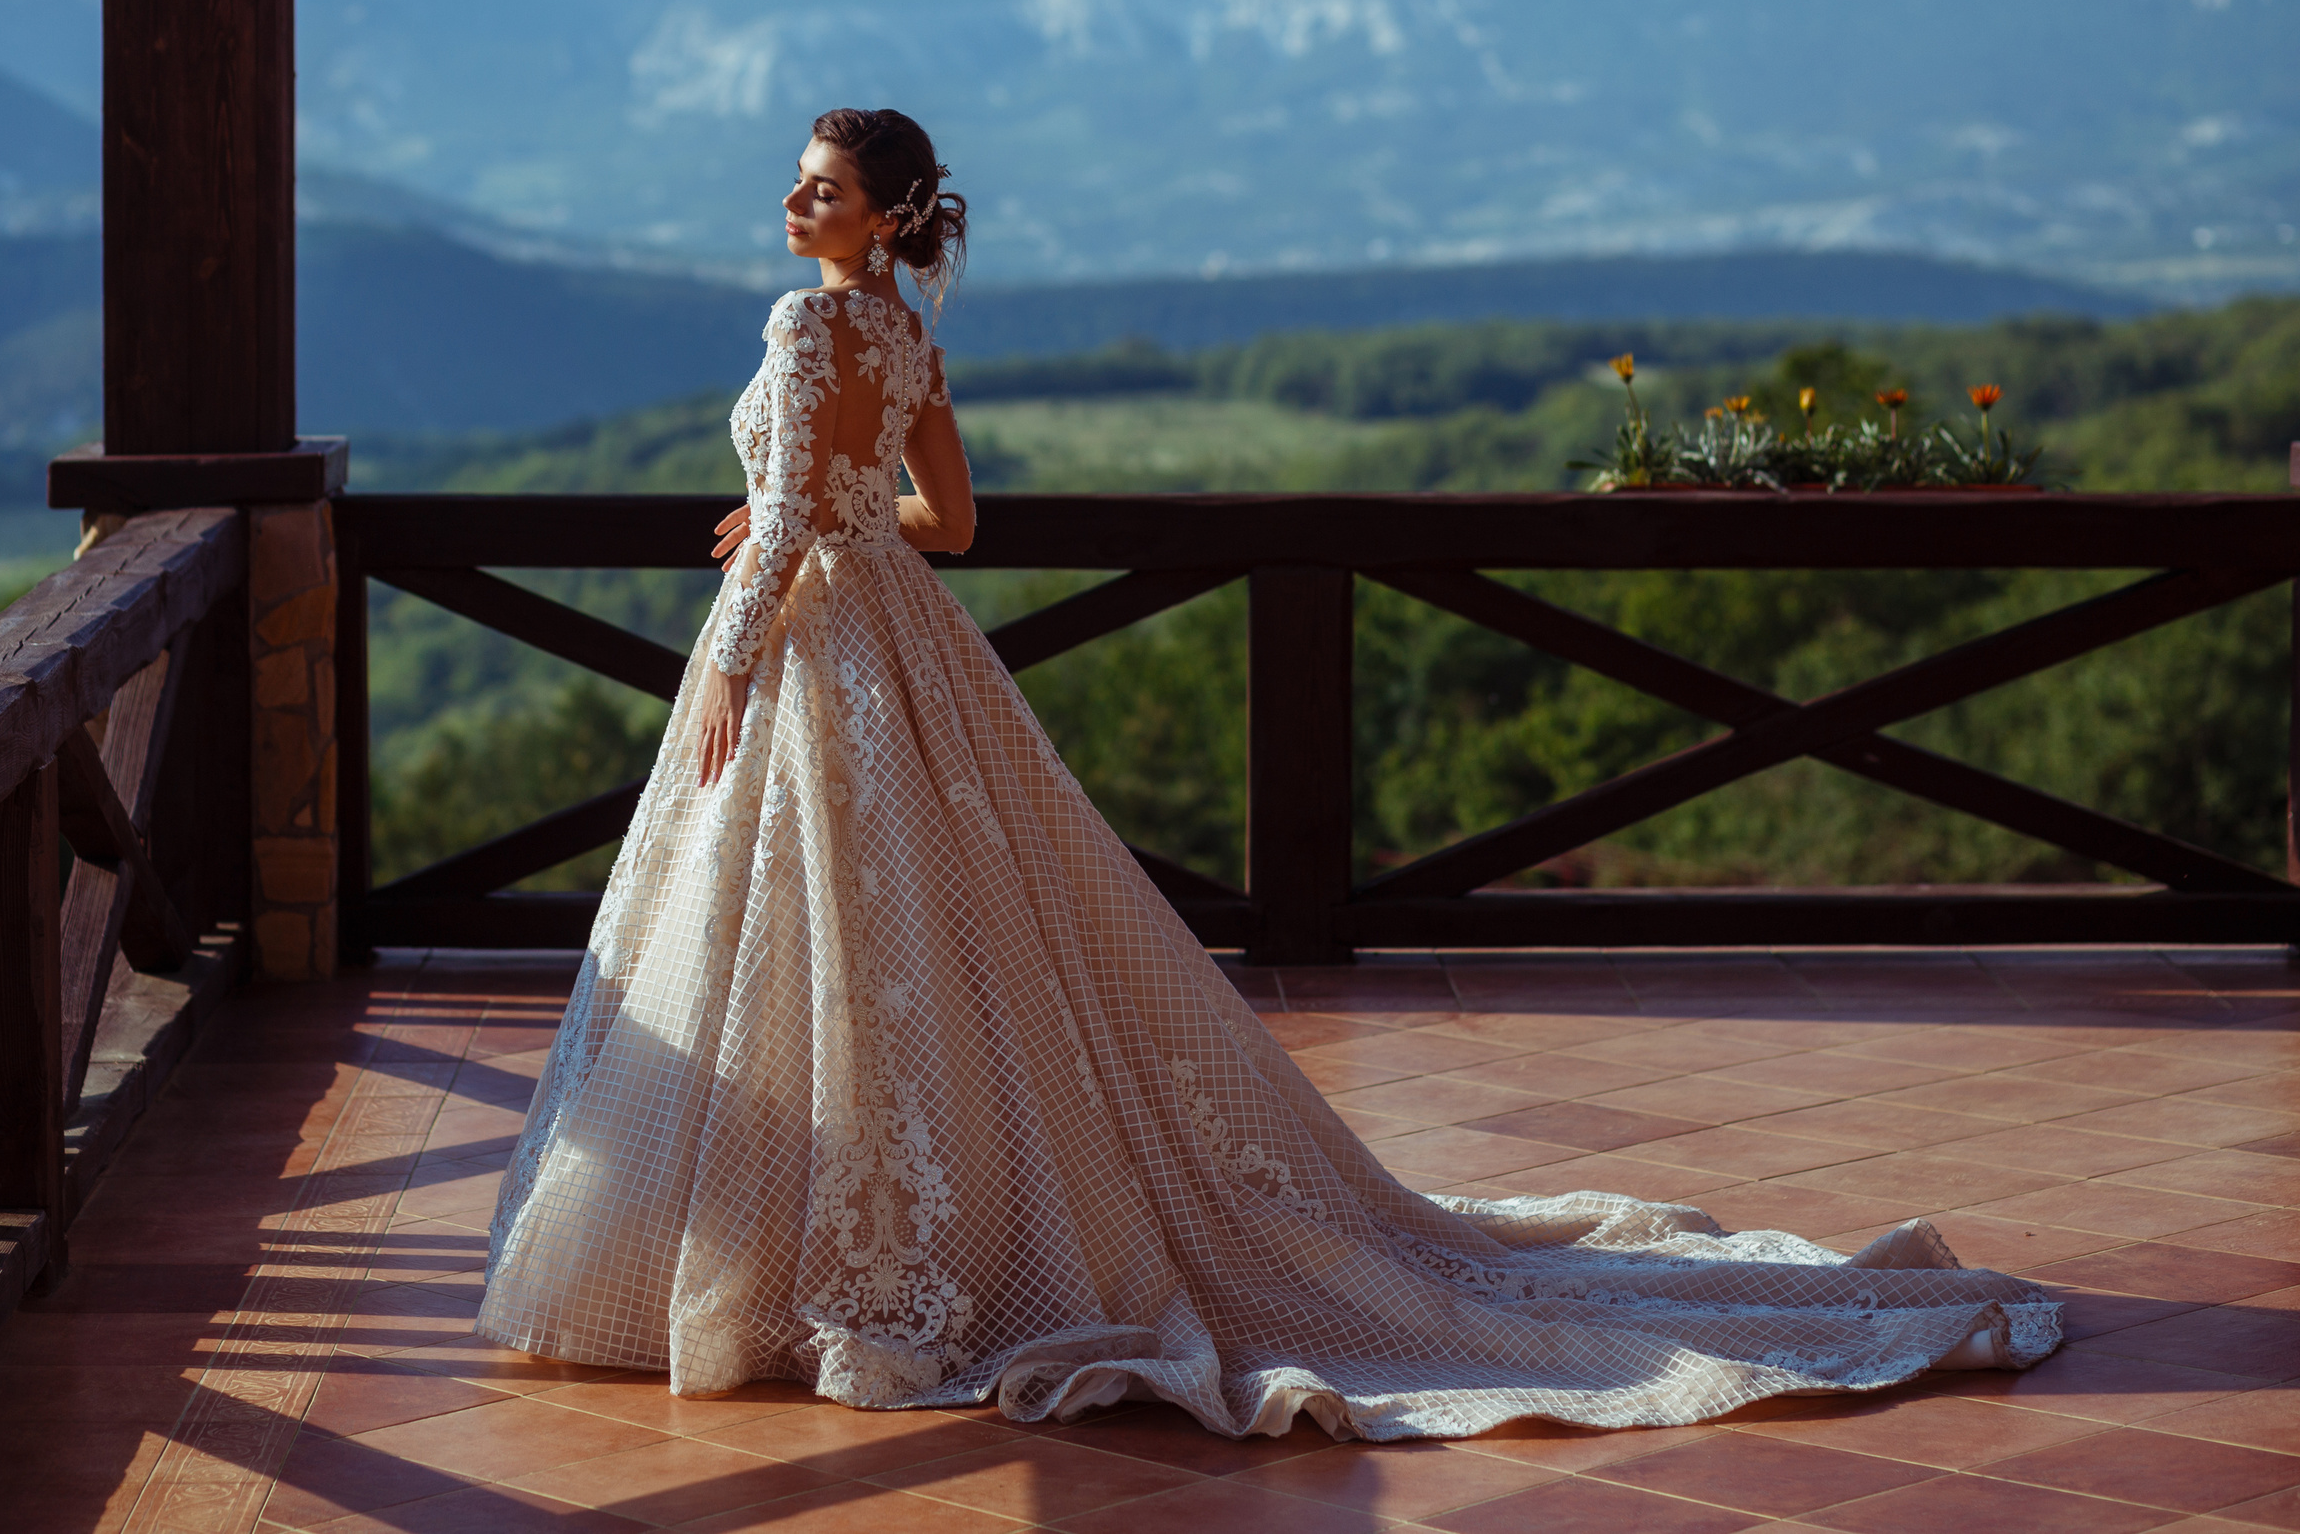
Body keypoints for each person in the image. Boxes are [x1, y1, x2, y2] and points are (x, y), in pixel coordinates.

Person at [473, 107, 2059, 1439]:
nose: (792, 199)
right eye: (799, 179)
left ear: (881, 213)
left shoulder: (812, 318)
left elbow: (804, 519)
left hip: (822, 655)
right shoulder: (906, 333)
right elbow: (951, 528)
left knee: (822, 947)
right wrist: (827, 516)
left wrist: (739, 657)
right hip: (908, 643)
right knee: (941, 953)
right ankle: (945, 1241)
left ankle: (814, 1268)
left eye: (819, 184)